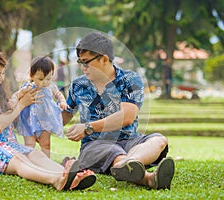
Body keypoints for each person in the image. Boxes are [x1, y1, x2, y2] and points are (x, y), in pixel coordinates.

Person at [0, 47, 96, 191]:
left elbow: (13, 114)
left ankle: (70, 175)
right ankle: (57, 180)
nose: (1, 79)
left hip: (8, 145)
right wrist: (22, 104)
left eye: (2, 74)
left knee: (35, 154)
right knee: (18, 160)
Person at [62, 32, 175, 190]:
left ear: (105, 59)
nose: (83, 67)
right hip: (94, 145)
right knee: (115, 152)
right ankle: (148, 178)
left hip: (129, 141)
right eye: (80, 62)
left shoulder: (130, 79)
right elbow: (62, 117)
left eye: (86, 62)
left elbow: (127, 117)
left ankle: (129, 164)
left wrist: (88, 127)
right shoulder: (78, 85)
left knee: (159, 140)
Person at [11, 56, 68, 158]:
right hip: (28, 121)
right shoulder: (28, 87)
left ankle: (46, 162)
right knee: (30, 144)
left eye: (48, 78)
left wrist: (62, 101)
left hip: (45, 120)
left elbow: (59, 94)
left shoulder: (51, 87)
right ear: (32, 75)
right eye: (41, 79)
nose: (44, 82)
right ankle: (29, 162)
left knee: (46, 143)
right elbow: (17, 94)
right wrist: (14, 100)